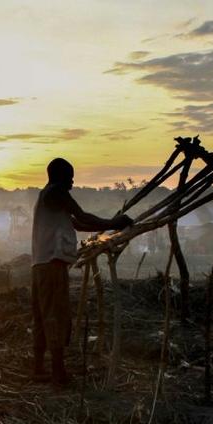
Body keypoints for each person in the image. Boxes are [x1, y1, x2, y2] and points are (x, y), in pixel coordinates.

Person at [31, 158, 133, 386]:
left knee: (42, 315)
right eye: (70, 176)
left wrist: (110, 225)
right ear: (58, 176)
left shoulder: (50, 200)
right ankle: (58, 374)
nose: (72, 181)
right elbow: (83, 215)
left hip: (41, 264)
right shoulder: (55, 192)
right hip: (52, 264)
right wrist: (115, 221)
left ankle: (38, 369)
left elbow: (79, 223)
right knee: (56, 315)